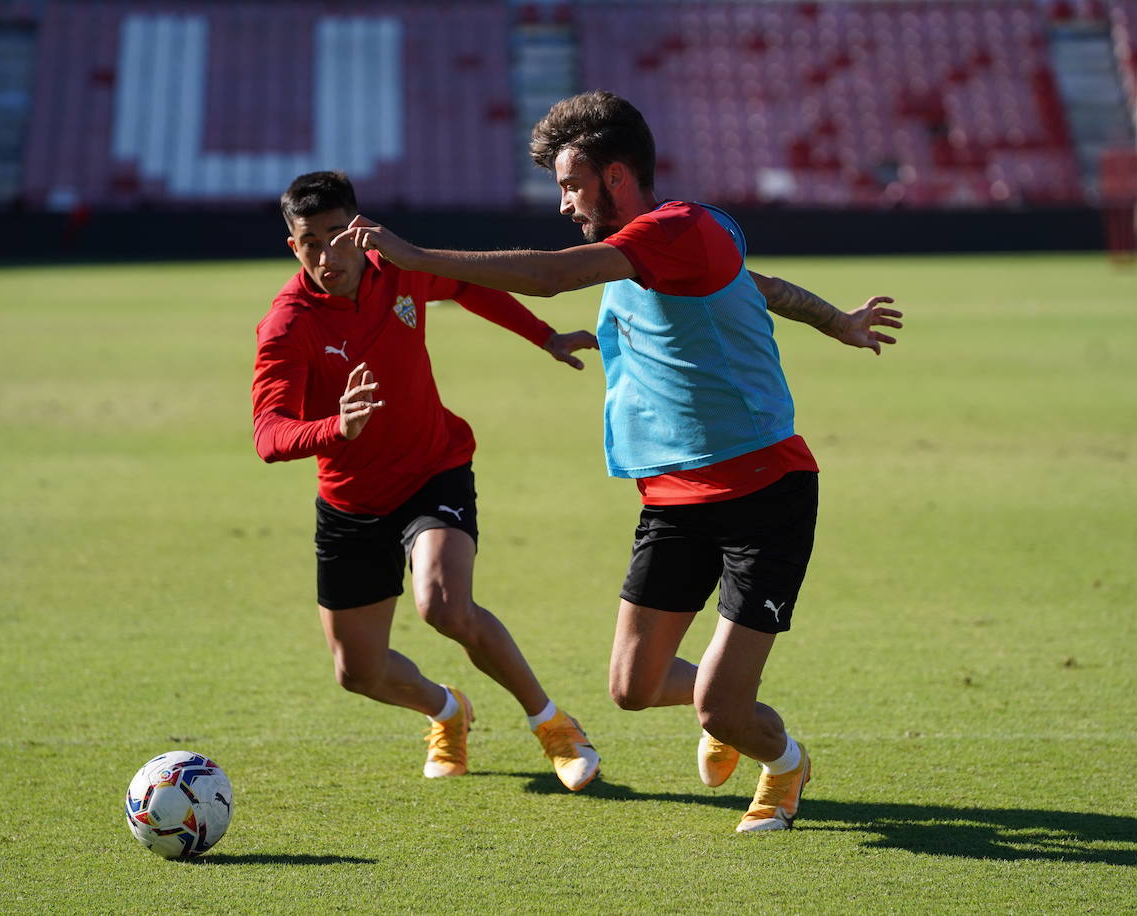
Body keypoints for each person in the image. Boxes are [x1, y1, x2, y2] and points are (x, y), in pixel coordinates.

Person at [337, 92, 903, 833]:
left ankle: (786, 764)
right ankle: (728, 711)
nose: (565, 203)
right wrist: (836, 321)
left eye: (571, 184)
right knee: (632, 689)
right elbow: (757, 287)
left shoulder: (678, 227)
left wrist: (411, 255)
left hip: (764, 493)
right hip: (671, 499)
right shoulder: (670, 246)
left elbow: (550, 274)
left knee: (723, 710)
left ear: (615, 175)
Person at [252, 171, 602, 791]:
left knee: (443, 603)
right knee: (357, 673)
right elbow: (269, 434)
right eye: (310, 241)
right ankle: (447, 710)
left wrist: (544, 335)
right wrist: (336, 429)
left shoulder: (400, 269)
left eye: (338, 236)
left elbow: (470, 285)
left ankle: (553, 726)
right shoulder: (288, 324)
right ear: (293, 246)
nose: (327, 254)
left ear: (360, 232)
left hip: (431, 468)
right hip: (351, 501)